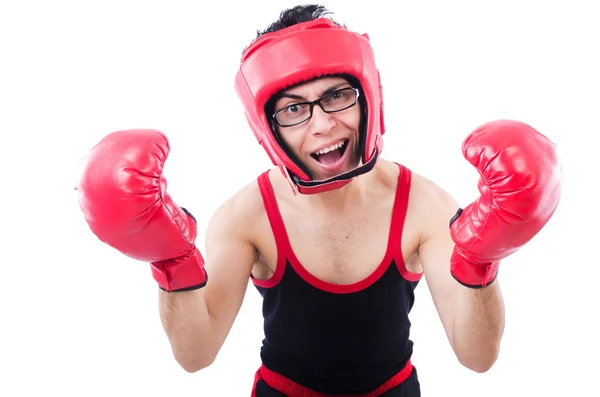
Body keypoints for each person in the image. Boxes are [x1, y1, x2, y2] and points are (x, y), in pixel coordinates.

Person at [75, 4, 562, 396]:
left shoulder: (423, 206)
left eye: (336, 96)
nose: (323, 125)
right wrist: (170, 260)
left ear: (368, 95)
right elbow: (196, 355)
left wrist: (482, 258)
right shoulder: (247, 214)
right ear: (268, 127)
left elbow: (477, 358)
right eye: (293, 108)